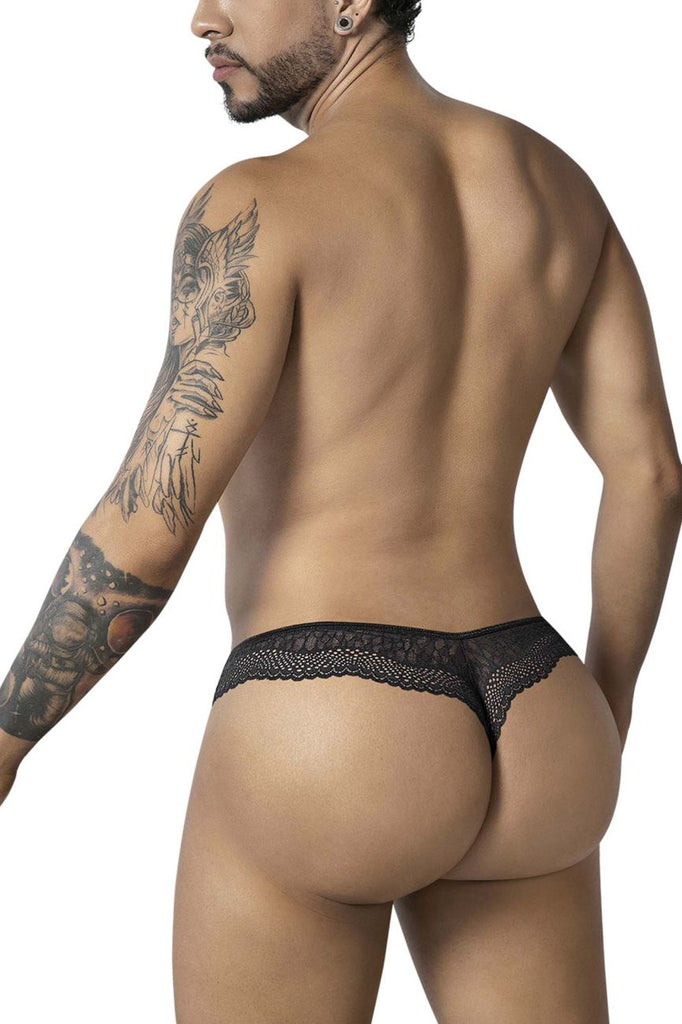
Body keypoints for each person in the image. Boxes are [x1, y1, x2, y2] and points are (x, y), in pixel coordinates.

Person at [1, 1, 680, 1021]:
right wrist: (604, 719)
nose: (202, 18)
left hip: (331, 721)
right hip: (541, 713)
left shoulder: (260, 204)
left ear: (351, 3)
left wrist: (7, 742)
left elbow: (152, 521)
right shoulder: (554, 185)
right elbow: (651, 478)